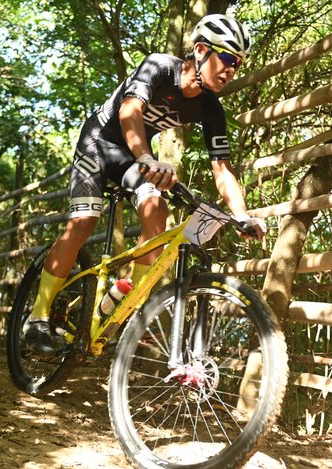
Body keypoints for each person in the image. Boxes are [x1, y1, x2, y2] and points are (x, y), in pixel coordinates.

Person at [25, 14, 267, 355]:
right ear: (200, 51)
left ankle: (125, 304)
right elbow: (129, 112)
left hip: (134, 157)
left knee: (157, 212)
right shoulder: (160, 67)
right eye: (227, 57)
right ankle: (37, 316)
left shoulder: (211, 108)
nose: (231, 69)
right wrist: (146, 158)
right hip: (99, 143)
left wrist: (241, 215)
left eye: (238, 63)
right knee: (83, 221)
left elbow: (222, 168)